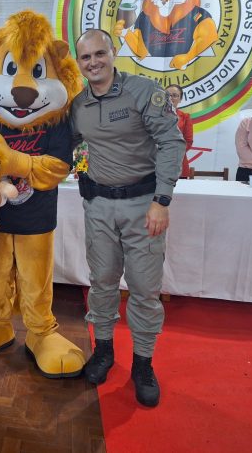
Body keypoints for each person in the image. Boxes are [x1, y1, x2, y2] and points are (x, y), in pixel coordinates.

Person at [70, 29, 185, 407]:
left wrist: (162, 200)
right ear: (79, 62)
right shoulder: (78, 105)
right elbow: (71, 144)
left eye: (99, 54)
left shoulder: (143, 92)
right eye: (85, 57)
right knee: (101, 283)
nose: (93, 62)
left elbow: (171, 142)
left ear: (113, 52)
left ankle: (143, 364)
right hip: (99, 206)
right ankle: (104, 351)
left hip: (143, 206)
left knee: (144, 289)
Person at [166, 84, 194, 178]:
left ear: (180, 99)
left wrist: (171, 152)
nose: (170, 98)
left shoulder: (185, 117)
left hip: (178, 164)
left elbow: (188, 142)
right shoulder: (153, 116)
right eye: (168, 95)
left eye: (174, 95)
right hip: (155, 164)